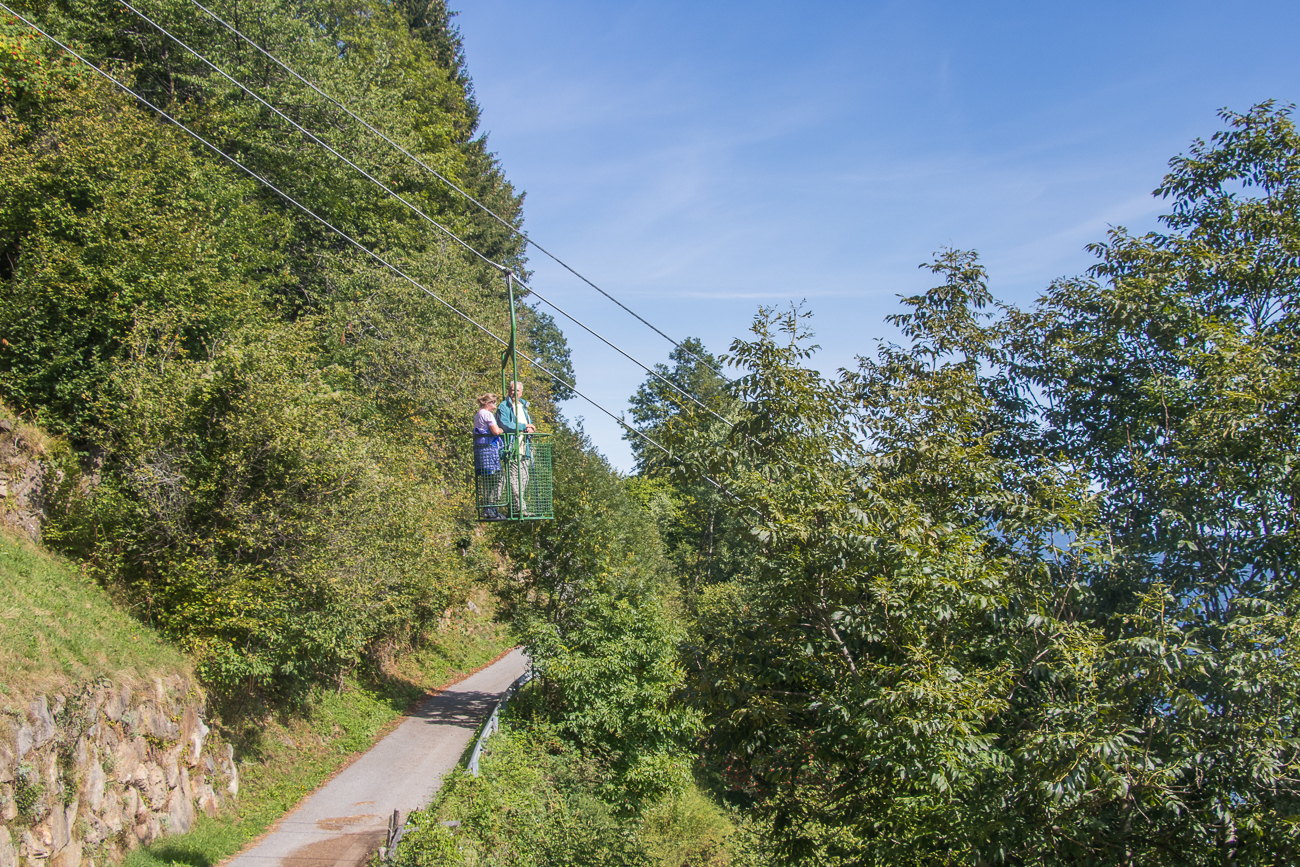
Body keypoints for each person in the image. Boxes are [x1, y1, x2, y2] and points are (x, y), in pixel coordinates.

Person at [496, 380, 536, 516]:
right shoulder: (504, 407)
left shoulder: (523, 406)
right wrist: (524, 427)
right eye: (512, 390)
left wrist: (530, 429)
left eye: (517, 391)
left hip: (524, 448)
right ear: (509, 391)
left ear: (521, 392)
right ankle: (519, 508)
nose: (514, 393)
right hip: (511, 448)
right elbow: (505, 425)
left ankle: (515, 506)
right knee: (515, 479)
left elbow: (527, 424)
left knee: (524, 478)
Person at [473, 393, 506, 520]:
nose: (494, 406)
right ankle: (492, 506)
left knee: (487, 480)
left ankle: (487, 508)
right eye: (493, 403)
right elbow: (496, 431)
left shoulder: (478, 414)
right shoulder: (487, 414)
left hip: (481, 450)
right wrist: (501, 431)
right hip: (489, 450)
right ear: (487, 403)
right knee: (498, 478)